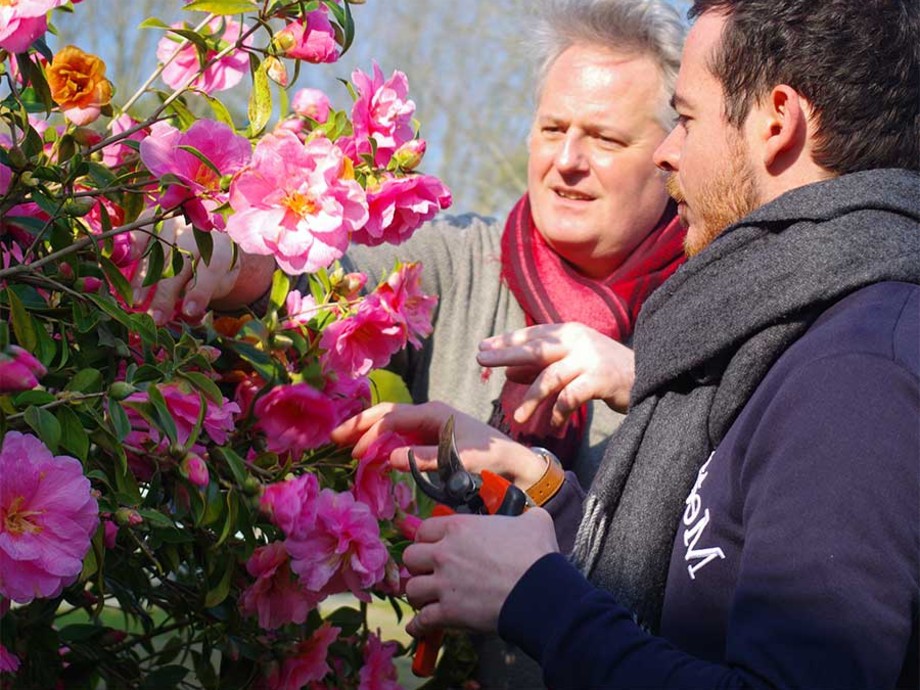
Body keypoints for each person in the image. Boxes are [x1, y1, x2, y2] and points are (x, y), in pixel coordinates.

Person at [332, 0, 920, 686]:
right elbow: (690, 586)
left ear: (777, 122)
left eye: (688, 119)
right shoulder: (779, 327)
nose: (673, 151)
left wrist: (537, 600)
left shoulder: (855, 374)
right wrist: (541, 486)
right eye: (551, 127)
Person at [133, 0, 688, 490]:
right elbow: (335, 283)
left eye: (606, 138)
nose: (565, 161)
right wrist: (242, 265)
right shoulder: (460, 254)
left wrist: (651, 386)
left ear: (674, 151)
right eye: (551, 129)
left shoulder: (715, 298)